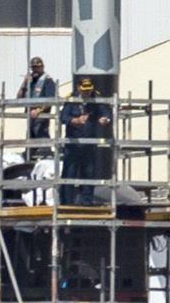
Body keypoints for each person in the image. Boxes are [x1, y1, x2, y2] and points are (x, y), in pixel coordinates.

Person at [60, 77, 112, 206]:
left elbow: (106, 112)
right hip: (73, 144)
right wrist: (75, 121)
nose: (87, 93)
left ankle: (86, 202)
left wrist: (105, 119)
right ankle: (67, 202)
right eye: (84, 90)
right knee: (69, 174)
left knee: (89, 173)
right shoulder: (71, 99)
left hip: (89, 144)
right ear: (78, 88)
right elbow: (63, 117)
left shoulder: (96, 98)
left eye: (89, 90)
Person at [17, 56, 58, 149]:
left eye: (37, 67)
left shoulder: (48, 81)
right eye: (33, 67)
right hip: (30, 115)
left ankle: (46, 154)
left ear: (42, 67)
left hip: (41, 116)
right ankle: (30, 156)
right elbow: (19, 97)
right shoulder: (31, 82)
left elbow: (51, 100)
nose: (35, 69)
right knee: (30, 139)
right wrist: (24, 83)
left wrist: (38, 110)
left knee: (41, 135)